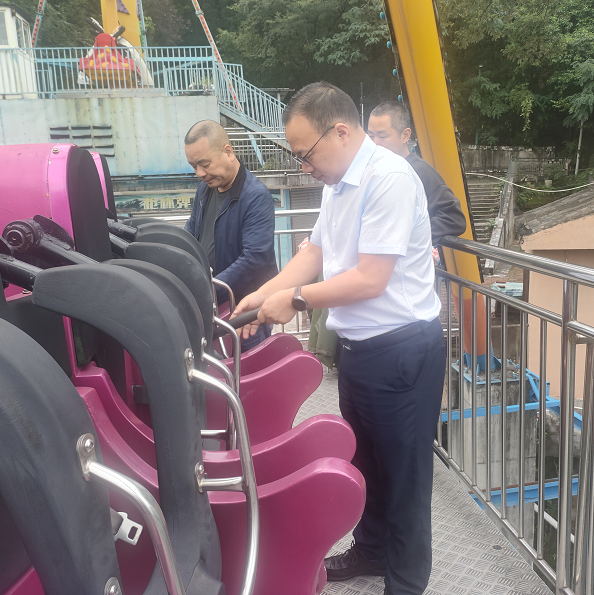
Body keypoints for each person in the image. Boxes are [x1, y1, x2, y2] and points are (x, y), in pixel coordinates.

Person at [231, 83, 446, 595]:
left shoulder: (389, 179)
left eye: (306, 153)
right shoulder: (337, 183)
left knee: (405, 476)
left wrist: (295, 300)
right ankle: (371, 551)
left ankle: (406, 582)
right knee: (365, 461)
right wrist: (261, 294)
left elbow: (371, 279)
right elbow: (316, 252)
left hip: (402, 350)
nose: (305, 167)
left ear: (341, 132)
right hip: (358, 351)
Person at [184, 120, 278, 351]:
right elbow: (190, 237)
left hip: (244, 311)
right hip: (212, 307)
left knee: (247, 369)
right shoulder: (204, 190)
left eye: (205, 164)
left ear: (228, 151)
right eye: (194, 166)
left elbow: (255, 258)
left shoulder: (256, 196)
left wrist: (208, 290)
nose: (200, 173)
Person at [367, 101, 467, 246]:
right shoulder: (371, 171)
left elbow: (454, 219)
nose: (375, 143)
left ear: (405, 135)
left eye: (382, 136)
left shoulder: (421, 172)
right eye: (371, 136)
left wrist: (409, 235)